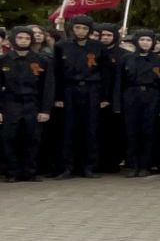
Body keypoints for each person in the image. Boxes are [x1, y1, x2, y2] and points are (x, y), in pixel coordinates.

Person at [52, 15, 110, 179]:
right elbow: (57, 73)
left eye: (84, 28)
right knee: (68, 129)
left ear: (90, 30)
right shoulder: (61, 46)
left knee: (91, 129)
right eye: (78, 28)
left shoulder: (98, 47)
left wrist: (104, 96)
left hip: (92, 89)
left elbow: (105, 73)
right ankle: (67, 167)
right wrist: (58, 97)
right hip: (70, 89)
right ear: (72, 28)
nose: (81, 31)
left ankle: (89, 166)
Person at [2, 26, 55, 183]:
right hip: (10, 104)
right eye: (20, 38)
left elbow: (48, 87)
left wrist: (45, 110)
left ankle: (30, 171)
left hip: (33, 104)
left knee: (32, 138)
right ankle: (12, 172)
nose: (23, 41)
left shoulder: (41, 60)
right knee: (9, 138)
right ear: (13, 39)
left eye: (26, 38)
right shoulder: (3, 60)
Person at [118, 30, 160, 178]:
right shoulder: (126, 58)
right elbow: (119, 81)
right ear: (137, 41)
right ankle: (133, 165)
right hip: (131, 95)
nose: (145, 43)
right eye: (142, 40)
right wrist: (118, 102)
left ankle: (145, 165)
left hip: (152, 95)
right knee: (131, 131)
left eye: (148, 40)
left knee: (148, 131)